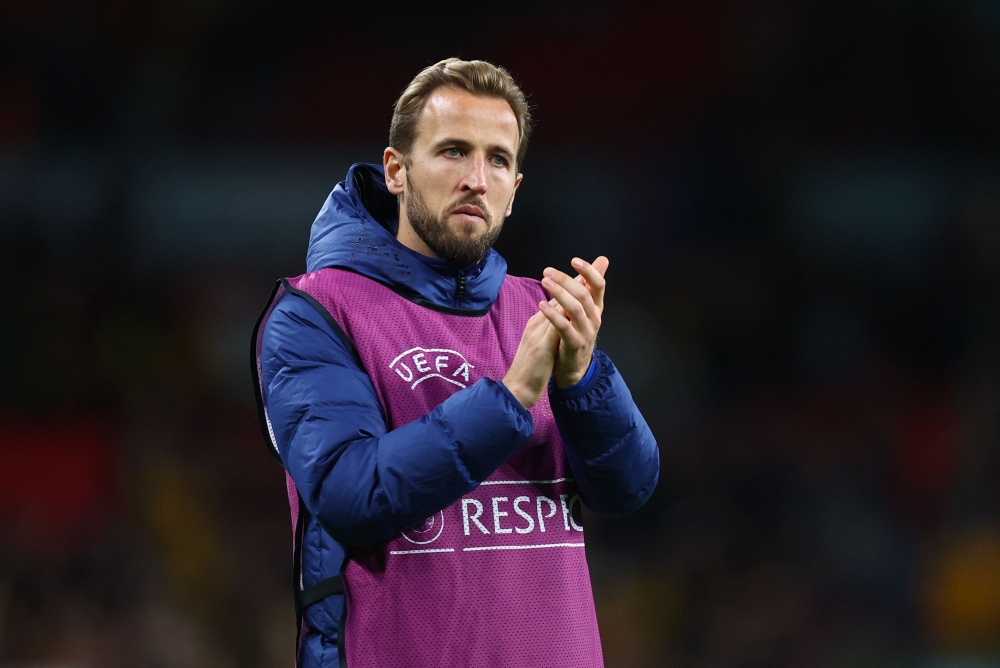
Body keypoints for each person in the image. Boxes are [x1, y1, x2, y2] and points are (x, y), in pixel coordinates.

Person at [251, 58, 659, 668]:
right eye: (452, 151)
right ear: (396, 170)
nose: (477, 178)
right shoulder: (315, 313)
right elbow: (349, 492)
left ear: (515, 191)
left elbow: (628, 487)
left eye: (497, 159)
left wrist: (582, 379)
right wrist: (511, 396)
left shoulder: (538, 309)